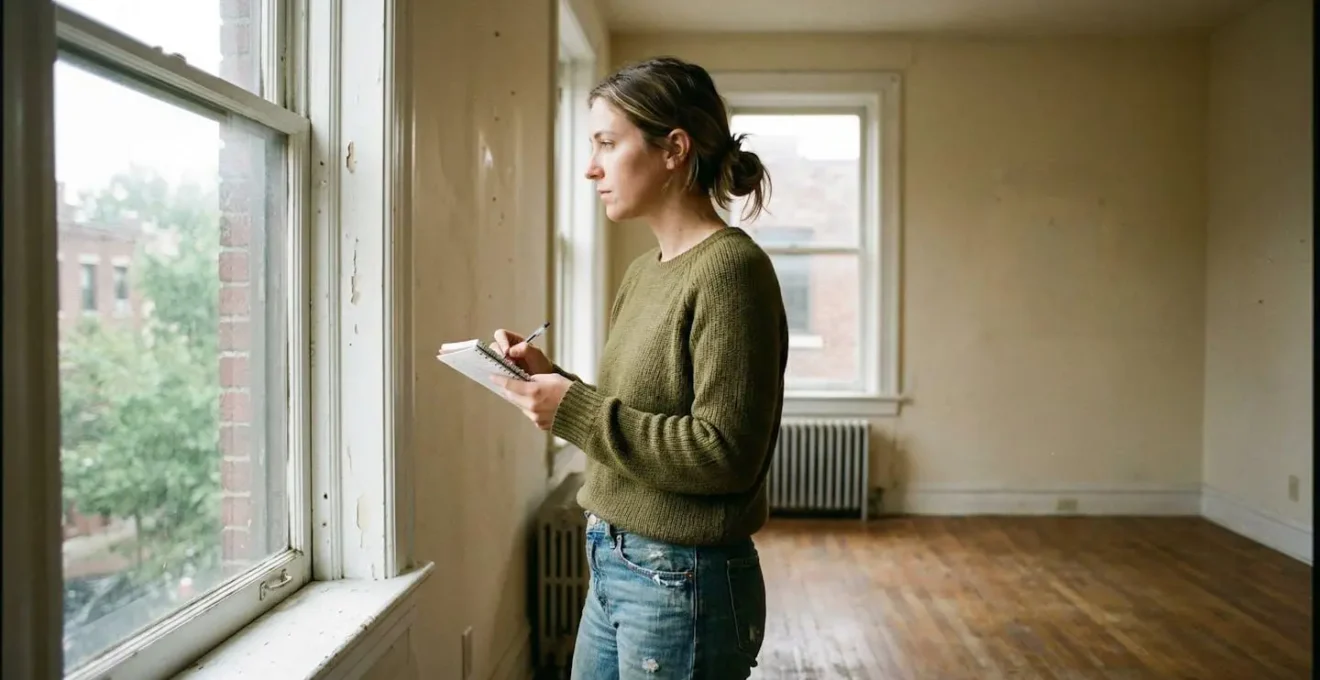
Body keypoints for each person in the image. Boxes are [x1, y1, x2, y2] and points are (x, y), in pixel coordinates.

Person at [490, 56, 788, 680]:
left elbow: (724, 452)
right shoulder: (645, 271)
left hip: (684, 579)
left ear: (674, 149)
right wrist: (557, 380)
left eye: (606, 142)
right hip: (615, 557)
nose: (590, 166)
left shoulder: (731, 272)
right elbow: (642, 412)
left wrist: (572, 408)